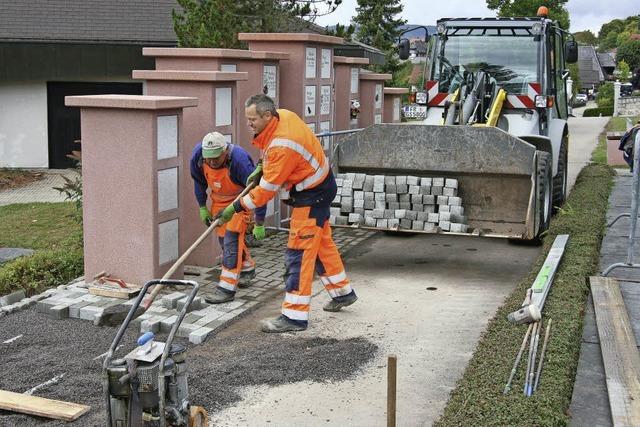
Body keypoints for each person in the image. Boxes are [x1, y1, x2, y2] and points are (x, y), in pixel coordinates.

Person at [218, 94, 358, 333]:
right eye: (247, 119)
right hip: (320, 188)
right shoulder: (284, 116)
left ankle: (294, 316)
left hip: (311, 195)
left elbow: (265, 192)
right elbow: (268, 147)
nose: (249, 124)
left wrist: (235, 207)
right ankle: (342, 293)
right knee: (321, 245)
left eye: (252, 119)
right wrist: (262, 166)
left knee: (299, 254)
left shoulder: (282, 145)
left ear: (266, 115)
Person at [190, 132, 266, 304]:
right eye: (208, 158)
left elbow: (259, 191)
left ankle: (226, 289)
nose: (211, 162)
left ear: (225, 151)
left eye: (216, 158)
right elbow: (199, 182)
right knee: (225, 241)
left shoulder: (239, 160)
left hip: (240, 201)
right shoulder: (198, 155)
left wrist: (259, 222)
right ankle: (247, 269)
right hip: (218, 201)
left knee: (231, 242)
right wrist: (202, 206)